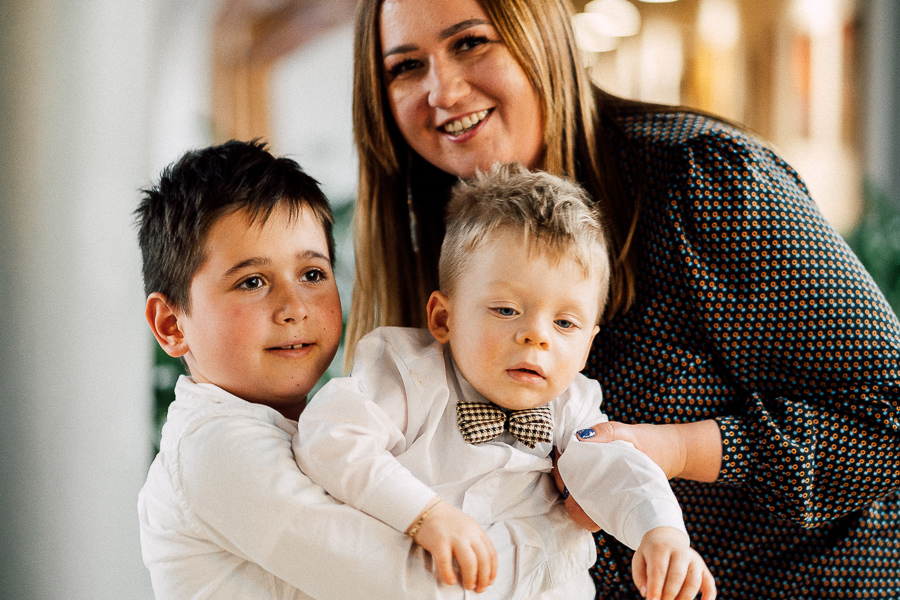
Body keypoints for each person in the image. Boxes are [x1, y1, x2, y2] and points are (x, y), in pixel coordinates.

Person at [345, 0, 900, 598]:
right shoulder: (435, 242)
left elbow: (889, 414)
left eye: (470, 42)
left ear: (539, 33)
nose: (443, 90)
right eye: (406, 66)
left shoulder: (703, 179)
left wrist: (677, 450)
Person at [135, 140, 586, 599]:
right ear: (171, 324)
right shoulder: (214, 449)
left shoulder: (333, 428)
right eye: (252, 282)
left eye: (312, 274)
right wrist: (561, 531)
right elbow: (419, 588)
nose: (294, 307)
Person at [296, 164, 715, 600]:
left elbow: (614, 468)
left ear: (587, 348)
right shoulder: (407, 375)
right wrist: (424, 513)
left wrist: (661, 531)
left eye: (565, 323)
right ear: (444, 318)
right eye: (506, 310)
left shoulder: (572, 406)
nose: (537, 335)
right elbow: (330, 435)